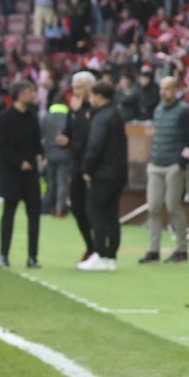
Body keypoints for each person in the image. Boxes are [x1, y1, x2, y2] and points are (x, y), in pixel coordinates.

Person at [140, 76, 189, 264]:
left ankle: (182, 249)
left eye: (168, 89)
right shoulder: (158, 110)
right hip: (156, 164)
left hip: (173, 165)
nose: (164, 92)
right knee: (153, 207)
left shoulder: (184, 112)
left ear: (176, 90)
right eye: (162, 89)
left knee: (173, 207)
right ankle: (153, 250)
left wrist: (181, 163)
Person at [0, 79, 43, 268]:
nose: (32, 95)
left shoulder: (32, 116)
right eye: (29, 92)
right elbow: (0, 146)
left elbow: (37, 141)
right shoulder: (5, 117)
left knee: (34, 216)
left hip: (31, 174)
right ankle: (3, 255)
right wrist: (18, 161)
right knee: (9, 214)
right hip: (11, 174)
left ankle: (33, 257)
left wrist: (40, 154)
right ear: (20, 94)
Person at [79, 79, 126, 271]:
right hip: (117, 173)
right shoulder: (115, 114)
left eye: (91, 95)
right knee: (111, 215)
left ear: (98, 96)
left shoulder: (102, 117)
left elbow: (95, 145)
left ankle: (99, 253)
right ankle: (110, 256)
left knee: (95, 212)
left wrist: (87, 168)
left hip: (102, 173)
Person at [60, 71, 96, 261]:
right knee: (76, 207)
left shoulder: (95, 107)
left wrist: (78, 112)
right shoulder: (73, 108)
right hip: (76, 164)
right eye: (74, 87)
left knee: (93, 208)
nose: (75, 91)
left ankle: (97, 248)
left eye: (79, 87)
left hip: (93, 166)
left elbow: (91, 135)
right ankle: (90, 245)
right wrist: (63, 140)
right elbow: (68, 134)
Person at [44, 89, 74, 217]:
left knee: (51, 182)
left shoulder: (46, 116)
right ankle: (60, 210)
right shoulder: (69, 116)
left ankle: (50, 207)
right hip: (65, 153)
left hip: (50, 152)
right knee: (62, 182)